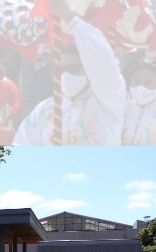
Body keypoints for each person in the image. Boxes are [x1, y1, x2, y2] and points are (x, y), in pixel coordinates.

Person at [13, 0, 125, 145]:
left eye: (74, 68)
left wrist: (70, 18)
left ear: (89, 69)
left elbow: (104, 61)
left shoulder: (106, 101)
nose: (67, 75)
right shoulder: (45, 110)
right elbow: (22, 145)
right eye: (63, 69)